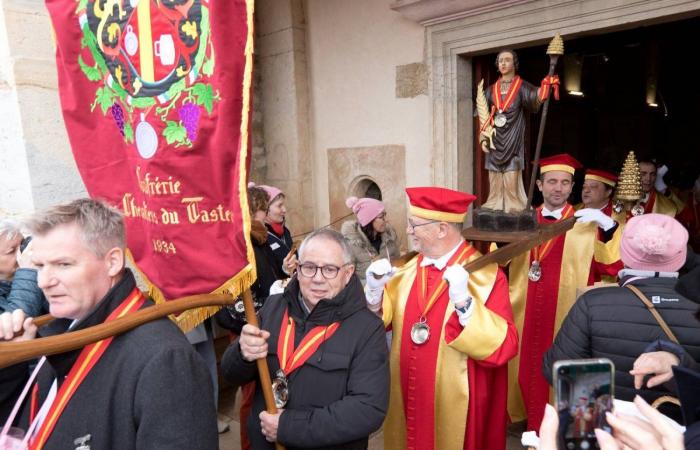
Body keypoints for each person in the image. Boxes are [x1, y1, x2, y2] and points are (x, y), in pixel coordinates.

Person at [0, 198, 217, 449]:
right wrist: (11, 364)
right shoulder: (63, 329)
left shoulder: (166, 359)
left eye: (63, 264)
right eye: (39, 266)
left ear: (113, 262)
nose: (43, 282)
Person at [365, 186, 519, 450]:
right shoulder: (405, 271)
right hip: (408, 394)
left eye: (415, 225)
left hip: (460, 402)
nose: (409, 231)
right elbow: (379, 323)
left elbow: (505, 346)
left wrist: (464, 303)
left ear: (441, 229)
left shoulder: (486, 276)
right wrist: (373, 293)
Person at [221, 228, 389, 449]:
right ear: (297, 269)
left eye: (329, 269)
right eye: (309, 267)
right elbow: (230, 374)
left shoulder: (367, 328)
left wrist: (289, 427)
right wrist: (242, 353)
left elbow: (367, 409)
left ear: (348, 274)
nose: (318, 279)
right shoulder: (273, 308)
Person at [542, 214, 700, 420]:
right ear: (681, 256)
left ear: (624, 253)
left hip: (613, 430)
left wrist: (604, 412)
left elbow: (558, 370)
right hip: (685, 435)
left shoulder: (592, 303)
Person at [508, 154, 623, 430]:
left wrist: (609, 228)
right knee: (524, 373)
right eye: (551, 182)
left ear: (572, 188)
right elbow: (499, 261)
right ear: (539, 185)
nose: (557, 188)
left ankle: (560, 434)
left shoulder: (586, 223)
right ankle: (527, 426)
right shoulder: (522, 221)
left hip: (567, 318)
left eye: (564, 183)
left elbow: (611, 264)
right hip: (523, 312)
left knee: (564, 374)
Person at [479, 49, 551, 212]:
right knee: (495, 177)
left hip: (514, 138)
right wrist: (483, 138)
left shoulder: (521, 87)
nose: (503, 63)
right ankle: (494, 204)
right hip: (494, 139)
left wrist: (545, 86)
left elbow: (535, 96)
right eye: (500, 61)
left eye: (507, 60)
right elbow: (483, 117)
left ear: (515, 64)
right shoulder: (490, 90)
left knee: (511, 175)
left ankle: (513, 204)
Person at [340, 196, 400, 283]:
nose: (385, 220)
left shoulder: (390, 237)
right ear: (369, 220)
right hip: (364, 295)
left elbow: (398, 263)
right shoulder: (351, 245)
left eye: (385, 215)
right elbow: (346, 280)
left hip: (391, 292)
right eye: (381, 216)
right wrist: (373, 286)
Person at [0, 219, 47, 316]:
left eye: (22, 244)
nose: (23, 253)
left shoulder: (38, 271)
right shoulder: (30, 272)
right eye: (11, 251)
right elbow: (16, 323)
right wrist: (28, 272)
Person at [256, 183, 297, 277]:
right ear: (265, 208)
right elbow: (266, 276)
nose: (284, 210)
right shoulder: (260, 237)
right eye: (279, 206)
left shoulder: (285, 231)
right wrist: (285, 270)